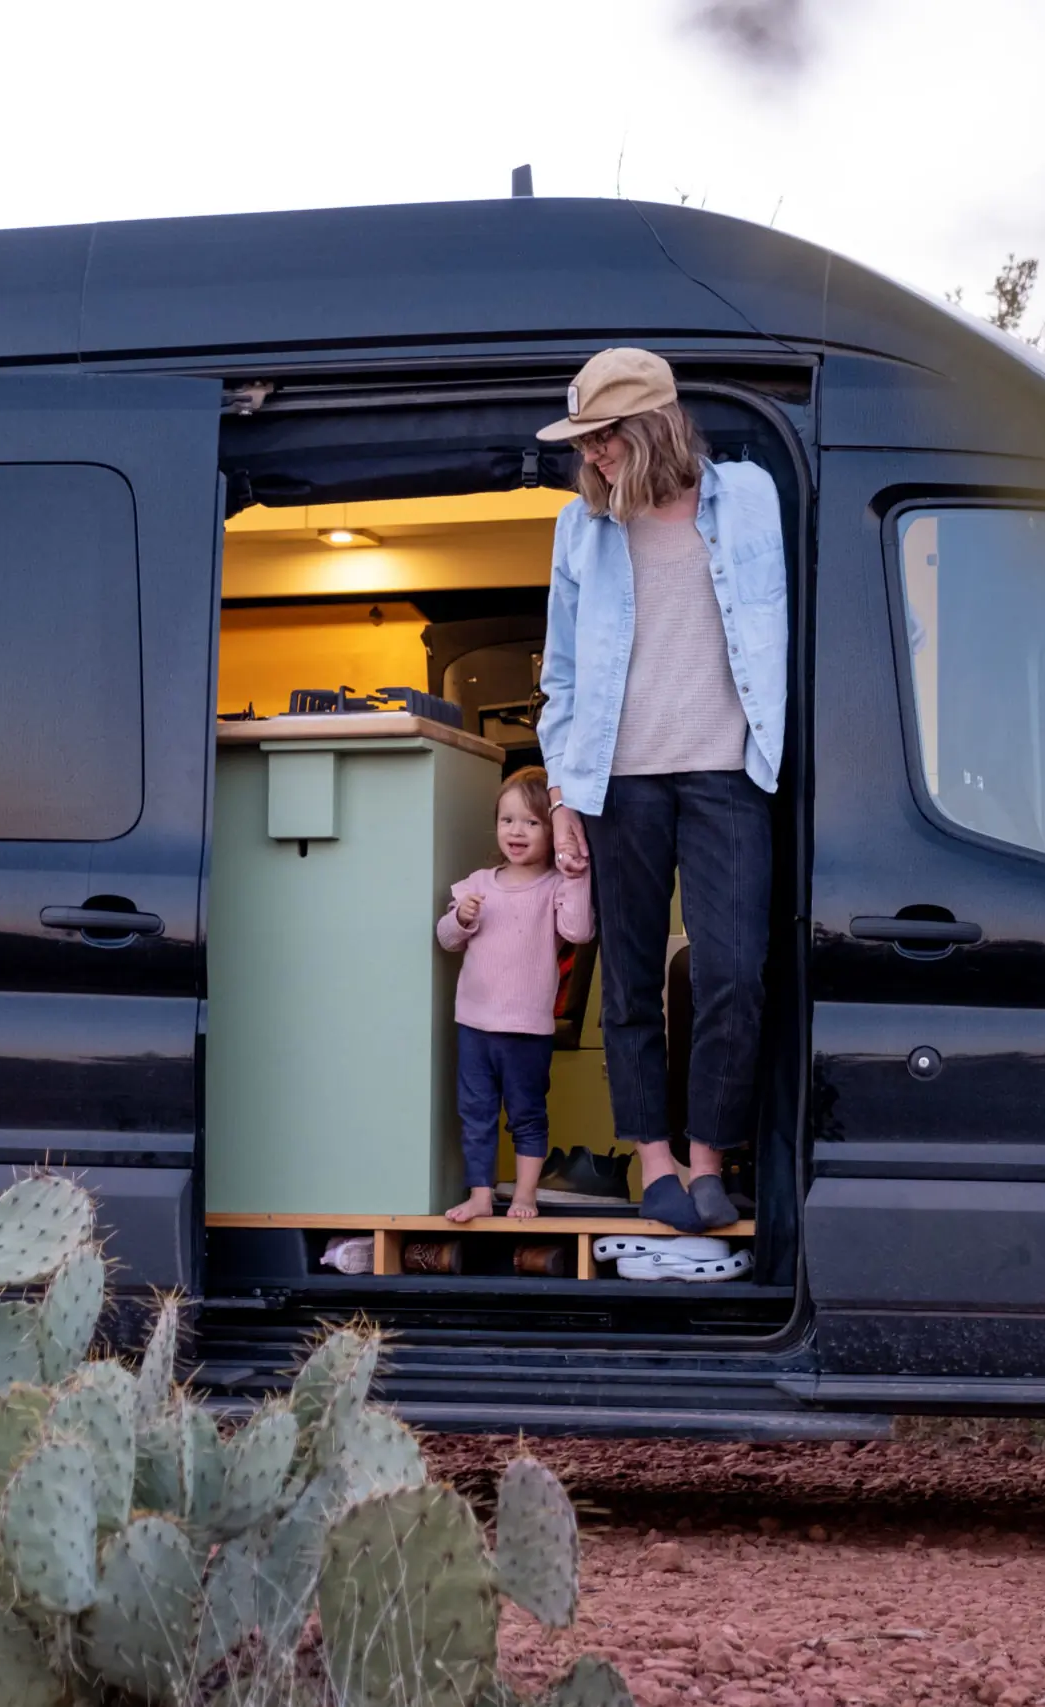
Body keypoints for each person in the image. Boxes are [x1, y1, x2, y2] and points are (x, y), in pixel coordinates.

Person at [534, 347, 785, 1236]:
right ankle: (653, 1157)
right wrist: (563, 796)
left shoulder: (753, 498)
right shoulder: (580, 528)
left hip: (727, 773)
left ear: (652, 427)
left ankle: (711, 1154)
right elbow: (561, 677)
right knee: (631, 982)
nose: (594, 457)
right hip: (618, 782)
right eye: (586, 444)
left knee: (730, 973)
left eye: (605, 439)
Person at [436, 766, 595, 1222]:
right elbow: (447, 938)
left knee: (526, 1114)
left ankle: (526, 1194)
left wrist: (577, 876)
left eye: (531, 822)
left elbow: (580, 931)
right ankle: (481, 1194)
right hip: (474, 1024)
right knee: (477, 1114)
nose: (516, 831)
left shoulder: (554, 888)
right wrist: (461, 917)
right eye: (507, 820)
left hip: (526, 1029)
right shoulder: (478, 884)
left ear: (555, 830)